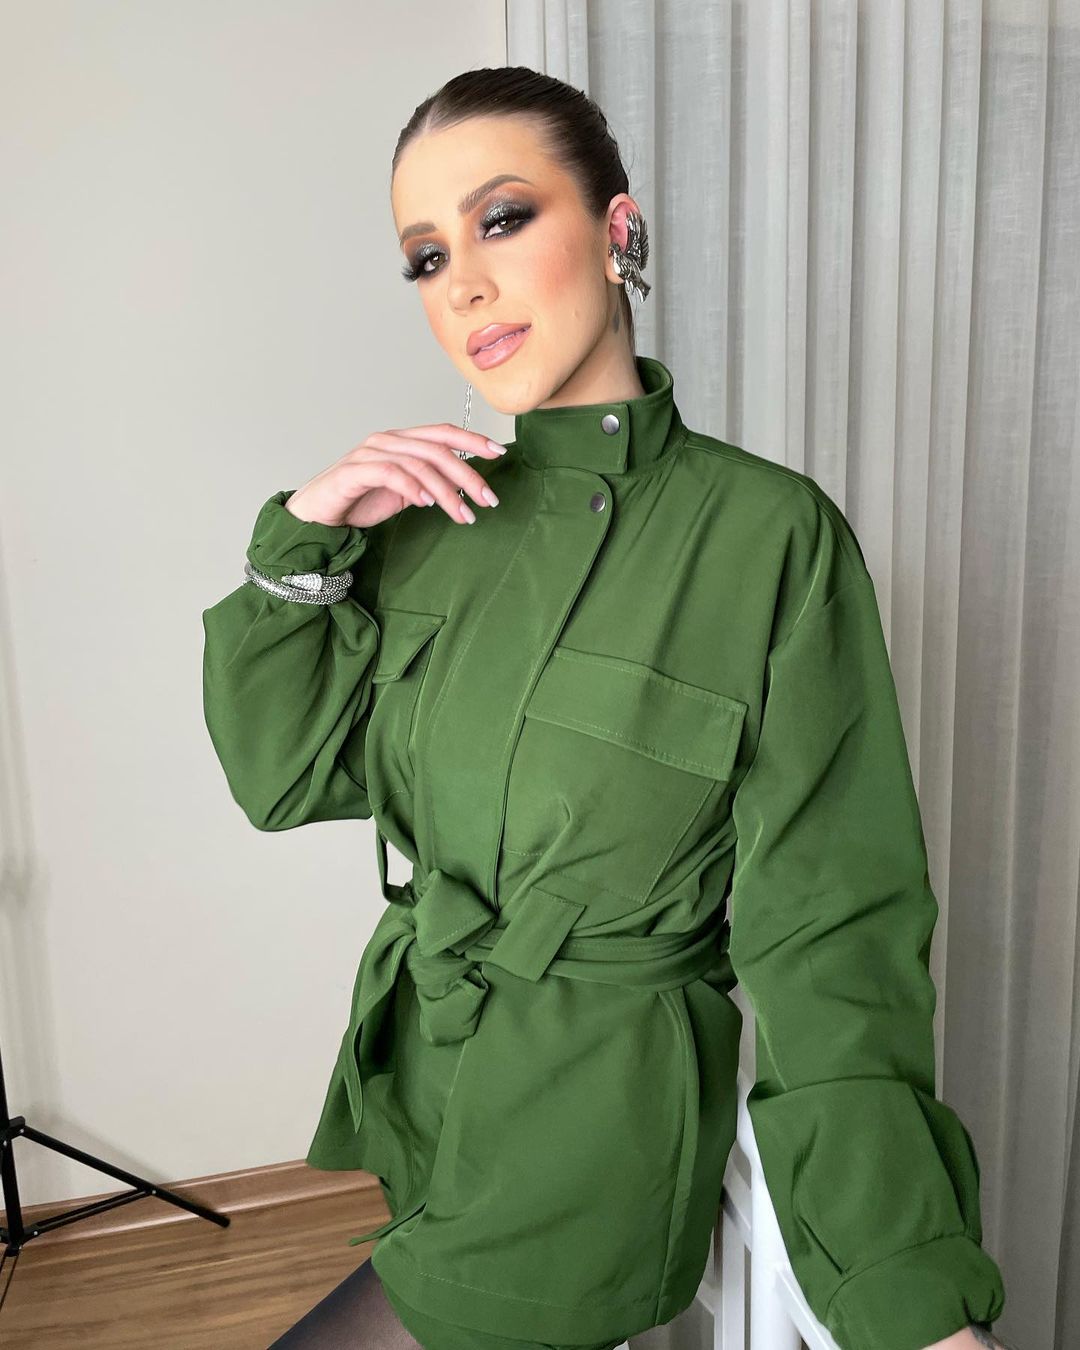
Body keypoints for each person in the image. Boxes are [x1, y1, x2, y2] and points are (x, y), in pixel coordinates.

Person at [201, 66, 1012, 1350]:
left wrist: (909, 1290)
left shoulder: (769, 538)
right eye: (427, 257)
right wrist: (302, 543)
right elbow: (281, 775)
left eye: (502, 220)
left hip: (597, 1129)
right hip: (426, 1091)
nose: (463, 286)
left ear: (618, 229)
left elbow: (833, 931)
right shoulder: (426, 524)